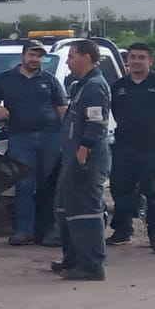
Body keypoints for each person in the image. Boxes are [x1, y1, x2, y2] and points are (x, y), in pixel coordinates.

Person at [0, 39, 66, 246]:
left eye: (39, 56)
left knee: (48, 185)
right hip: (20, 137)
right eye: (32, 54)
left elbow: (62, 109)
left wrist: (67, 136)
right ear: (23, 55)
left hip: (51, 137)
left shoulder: (50, 80)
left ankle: (47, 231)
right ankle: (24, 231)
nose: (35, 59)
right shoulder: (5, 79)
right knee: (24, 184)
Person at [51, 39, 113, 281]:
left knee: (86, 211)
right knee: (67, 209)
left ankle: (92, 265)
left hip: (86, 159)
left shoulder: (96, 86)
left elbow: (96, 123)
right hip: (72, 157)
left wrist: (84, 149)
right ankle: (74, 258)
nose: (68, 61)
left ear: (86, 57)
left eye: (72, 56)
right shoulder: (82, 85)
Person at [108, 41, 155, 249]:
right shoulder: (119, 86)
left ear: (150, 61)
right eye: (132, 57)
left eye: (141, 57)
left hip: (152, 146)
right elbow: (116, 112)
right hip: (124, 146)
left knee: (153, 190)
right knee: (121, 189)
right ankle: (122, 231)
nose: (136, 61)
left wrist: (151, 125)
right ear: (127, 60)